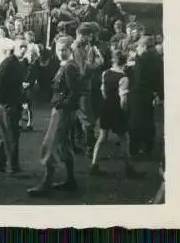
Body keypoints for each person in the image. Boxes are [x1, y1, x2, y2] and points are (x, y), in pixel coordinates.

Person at [27, 36, 81, 197]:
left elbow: (75, 92)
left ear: (70, 50)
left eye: (64, 49)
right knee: (64, 145)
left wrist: (61, 105)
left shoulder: (70, 67)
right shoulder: (65, 65)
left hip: (62, 111)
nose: (60, 52)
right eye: (58, 49)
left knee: (50, 145)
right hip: (63, 110)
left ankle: (46, 183)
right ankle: (70, 180)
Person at [90, 50, 141, 177]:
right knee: (124, 138)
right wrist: (125, 111)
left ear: (113, 60)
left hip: (106, 107)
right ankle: (129, 168)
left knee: (102, 137)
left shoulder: (105, 73)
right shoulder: (123, 78)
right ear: (124, 63)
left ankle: (94, 164)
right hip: (117, 110)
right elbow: (123, 99)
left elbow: (103, 92)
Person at [0, 38, 28, 174]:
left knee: (6, 135)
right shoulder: (8, 63)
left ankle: (0, 164)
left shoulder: (17, 63)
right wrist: (4, 103)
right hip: (7, 105)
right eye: (21, 46)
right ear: (15, 47)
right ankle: (13, 167)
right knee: (12, 136)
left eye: (25, 46)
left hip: (11, 104)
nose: (24, 49)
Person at [128, 35, 164, 157]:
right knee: (149, 120)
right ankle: (148, 147)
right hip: (151, 93)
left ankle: (134, 149)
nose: (137, 48)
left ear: (143, 46)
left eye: (138, 46)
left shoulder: (142, 58)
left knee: (135, 121)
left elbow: (138, 78)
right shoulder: (156, 57)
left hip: (139, 94)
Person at [72, 23, 104, 155]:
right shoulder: (78, 49)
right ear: (83, 35)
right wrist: (97, 63)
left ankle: (78, 143)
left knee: (78, 118)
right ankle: (89, 148)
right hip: (82, 88)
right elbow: (84, 71)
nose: (91, 38)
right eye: (89, 36)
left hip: (83, 87)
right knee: (87, 120)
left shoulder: (84, 47)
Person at [22, 31, 41, 131]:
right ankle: (23, 120)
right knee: (23, 101)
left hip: (30, 81)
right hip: (25, 79)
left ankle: (30, 122)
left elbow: (37, 57)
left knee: (29, 102)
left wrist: (30, 82)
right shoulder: (24, 63)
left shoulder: (34, 65)